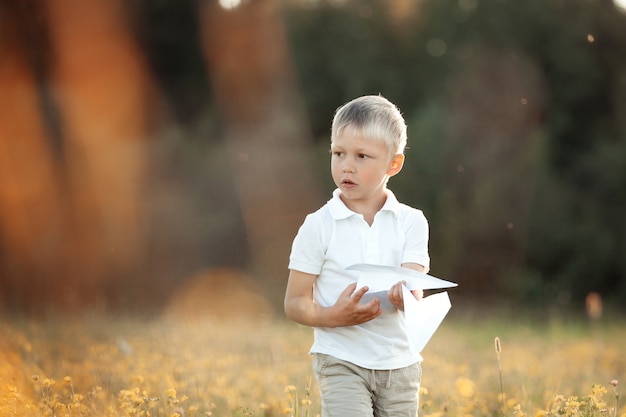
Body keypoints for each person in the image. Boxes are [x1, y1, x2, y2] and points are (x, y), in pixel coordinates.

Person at [284, 94, 430, 417]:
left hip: (400, 364)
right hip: (341, 360)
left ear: (393, 163)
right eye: (338, 153)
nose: (346, 165)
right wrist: (332, 316)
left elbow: (415, 289)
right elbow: (294, 302)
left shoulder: (412, 222)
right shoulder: (318, 226)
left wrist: (405, 295)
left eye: (362, 156)